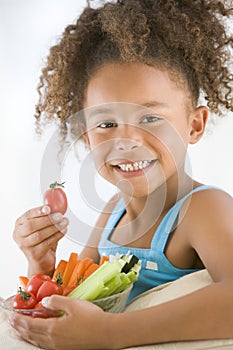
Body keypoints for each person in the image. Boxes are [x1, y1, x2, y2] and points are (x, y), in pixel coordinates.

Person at [9, 0, 233, 349]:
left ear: (194, 124)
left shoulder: (203, 209)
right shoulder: (110, 215)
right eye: (107, 124)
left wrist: (110, 333)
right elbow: (71, 306)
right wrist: (40, 263)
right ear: (87, 138)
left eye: (150, 118)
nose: (127, 141)